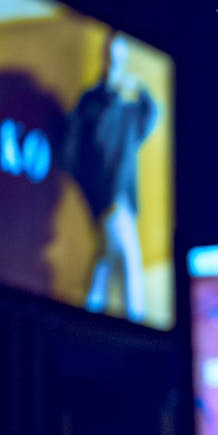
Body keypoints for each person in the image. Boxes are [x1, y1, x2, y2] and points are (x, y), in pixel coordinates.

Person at [62, 31, 157, 323]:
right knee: (129, 264)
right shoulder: (93, 101)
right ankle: (135, 323)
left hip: (123, 196)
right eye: (112, 55)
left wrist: (137, 91)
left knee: (104, 263)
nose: (116, 61)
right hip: (105, 196)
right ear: (105, 57)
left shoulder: (128, 102)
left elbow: (149, 118)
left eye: (121, 55)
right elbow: (79, 149)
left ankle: (86, 322)